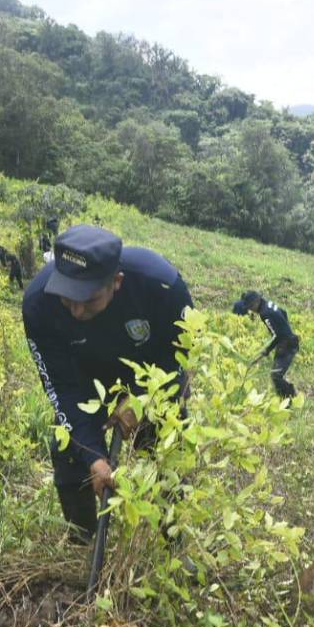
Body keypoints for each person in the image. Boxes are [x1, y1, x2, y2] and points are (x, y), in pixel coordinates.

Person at [23, 225, 193, 542]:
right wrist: (94, 457)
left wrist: (144, 400)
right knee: (69, 450)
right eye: (67, 297)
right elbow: (62, 388)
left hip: (153, 377)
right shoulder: (39, 304)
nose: (75, 310)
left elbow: (183, 358)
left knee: (164, 455)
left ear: (116, 282)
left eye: (88, 299)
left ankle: (171, 549)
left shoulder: (160, 285)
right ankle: (83, 543)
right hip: (88, 381)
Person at [233, 291, 299, 399]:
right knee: (277, 374)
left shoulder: (265, 314)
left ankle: (290, 398)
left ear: (256, 302)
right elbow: (284, 312)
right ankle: (288, 397)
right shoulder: (268, 304)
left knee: (276, 375)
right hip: (286, 341)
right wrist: (285, 326)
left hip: (287, 344)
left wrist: (266, 351)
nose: (250, 310)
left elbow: (276, 336)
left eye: (250, 306)